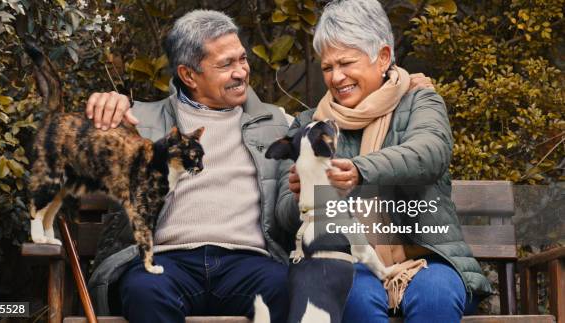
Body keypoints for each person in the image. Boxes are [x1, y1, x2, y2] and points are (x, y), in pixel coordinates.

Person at [275, 1, 491, 322]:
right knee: (352, 297)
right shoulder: (308, 125)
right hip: (348, 262)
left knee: (436, 297)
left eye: (346, 63)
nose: (336, 77)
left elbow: (429, 152)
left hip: (427, 260)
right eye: (327, 67)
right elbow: (283, 218)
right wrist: (303, 198)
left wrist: (359, 171)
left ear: (383, 58)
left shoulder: (421, 101)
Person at [84, 10, 293, 323]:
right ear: (189, 75)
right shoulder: (140, 121)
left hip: (248, 263)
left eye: (242, 59)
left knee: (284, 286)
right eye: (226, 64)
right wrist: (104, 106)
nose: (241, 72)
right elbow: (79, 154)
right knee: (144, 291)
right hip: (166, 263)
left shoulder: (278, 123)